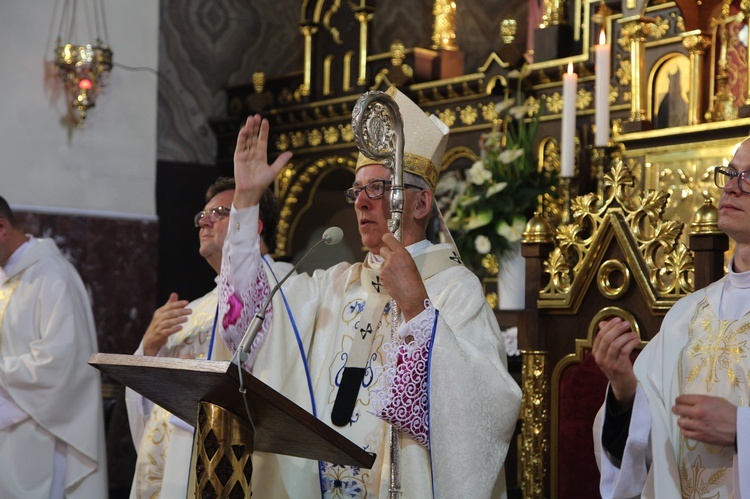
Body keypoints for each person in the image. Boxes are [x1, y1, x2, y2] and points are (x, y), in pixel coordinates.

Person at [219, 87, 522, 498]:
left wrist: (416, 309)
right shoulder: (336, 285)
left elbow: (486, 412)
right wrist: (246, 202)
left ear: (420, 204)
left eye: (378, 188)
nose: (361, 202)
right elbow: (255, 312)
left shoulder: (455, 292)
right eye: (356, 190)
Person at [592, 138, 750, 498]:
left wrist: (742, 428)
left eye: (749, 176)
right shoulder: (686, 315)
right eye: (729, 173)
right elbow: (645, 446)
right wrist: (624, 389)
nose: (731, 186)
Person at [126, 178, 294, 498]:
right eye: (202, 215)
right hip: (174, 457)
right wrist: (148, 348)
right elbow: (150, 405)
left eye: (219, 212)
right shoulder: (192, 309)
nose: (204, 221)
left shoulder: (283, 294)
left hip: (232, 462)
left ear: (252, 225)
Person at [0, 195, 107, 498]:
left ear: (2, 227)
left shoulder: (53, 277)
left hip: (41, 435)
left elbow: (60, 366)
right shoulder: (6, 277)